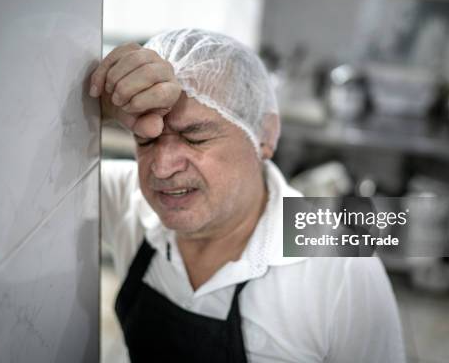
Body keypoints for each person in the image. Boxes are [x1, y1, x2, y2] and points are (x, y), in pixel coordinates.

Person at [89, 28, 405, 363]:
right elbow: (34, 187)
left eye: (195, 138)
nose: (162, 168)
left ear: (264, 136)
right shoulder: (127, 198)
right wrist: (98, 111)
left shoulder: (341, 269)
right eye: (146, 139)